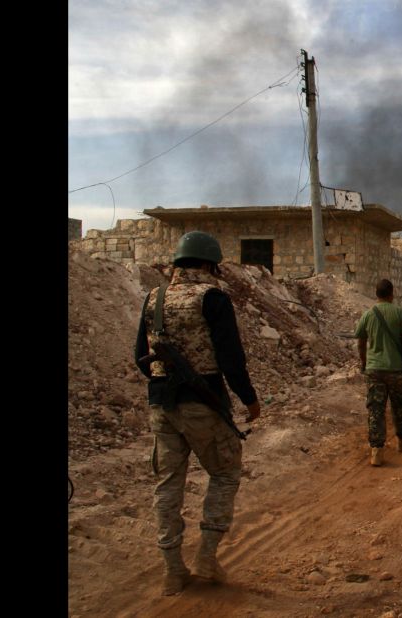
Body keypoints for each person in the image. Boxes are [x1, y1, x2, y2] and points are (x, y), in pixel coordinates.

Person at [134, 230, 261, 596]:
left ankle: (173, 569)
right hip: (201, 403)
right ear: (208, 264)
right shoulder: (212, 298)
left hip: (161, 404)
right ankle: (206, 554)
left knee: (167, 484)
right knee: (224, 472)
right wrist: (248, 399)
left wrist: (164, 382)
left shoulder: (153, 297)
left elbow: (140, 357)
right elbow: (230, 359)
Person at [355, 279, 402, 467]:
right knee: (400, 406)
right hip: (397, 369)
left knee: (375, 410)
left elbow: (360, 342)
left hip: (374, 370)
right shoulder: (400, 313)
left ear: (376, 294)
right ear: (392, 293)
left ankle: (377, 451)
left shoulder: (367, 315)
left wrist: (365, 362)